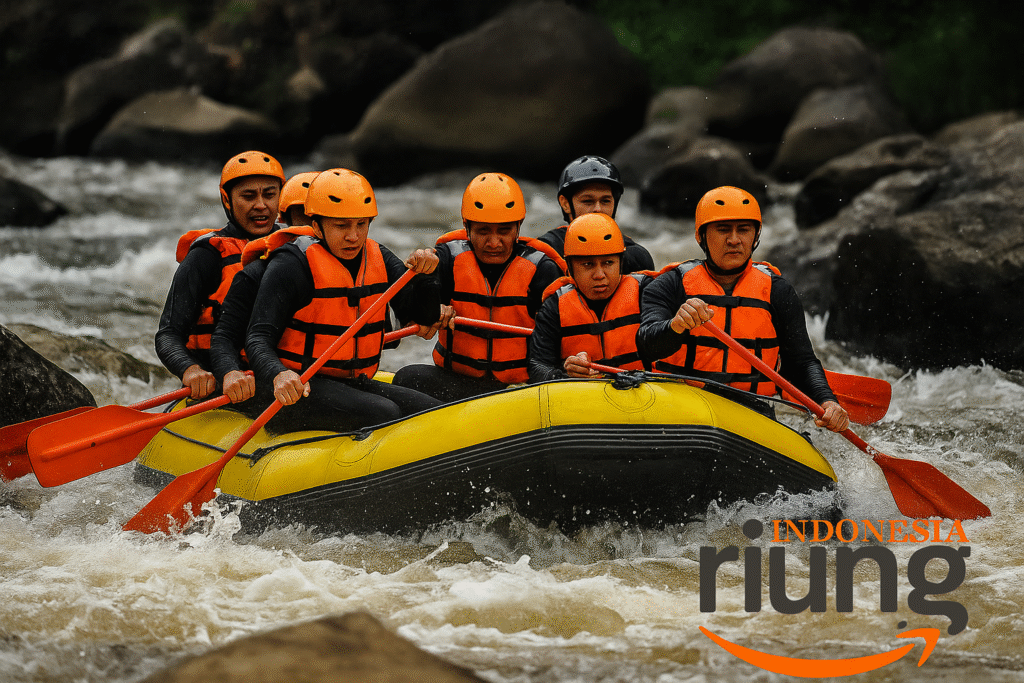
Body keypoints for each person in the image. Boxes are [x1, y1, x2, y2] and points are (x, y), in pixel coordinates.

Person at [244, 168, 443, 433]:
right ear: (316, 226)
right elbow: (257, 337)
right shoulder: (291, 264)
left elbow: (425, 317)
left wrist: (427, 276)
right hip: (298, 388)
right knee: (385, 413)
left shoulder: (378, 255)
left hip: (352, 382)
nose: (353, 236)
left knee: (434, 411)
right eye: (341, 226)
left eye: (361, 224)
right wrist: (278, 374)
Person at [636, 185, 849, 431]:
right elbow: (646, 345)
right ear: (701, 236)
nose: (734, 240)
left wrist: (827, 401)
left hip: (751, 412)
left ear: (756, 236)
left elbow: (801, 362)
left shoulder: (778, 291)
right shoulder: (670, 285)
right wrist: (675, 326)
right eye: (723, 230)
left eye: (744, 230)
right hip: (680, 407)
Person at [392, 172, 565, 402]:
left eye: (504, 231)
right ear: (467, 227)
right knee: (407, 377)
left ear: (518, 227)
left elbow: (561, 341)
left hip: (519, 390)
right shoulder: (447, 259)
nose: (494, 242)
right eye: (483, 231)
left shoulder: (543, 270)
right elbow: (411, 315)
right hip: (462, 382)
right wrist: (431, 306)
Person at [155, 150, 285, 399]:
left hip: (279, 378)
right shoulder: (206, 256)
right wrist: (190, 370)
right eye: (248, 196)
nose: (261, 205)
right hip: (221, 384)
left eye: (270, 195)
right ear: (227, 199)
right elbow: (169, 334)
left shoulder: (293, 248)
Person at [209, 171, 322, 405]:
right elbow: (225, 338)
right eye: (304, 216)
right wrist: (229, 372)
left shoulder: (362, 260)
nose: (313, 227)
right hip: (274, 380)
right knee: (386, 410)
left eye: (321, 217)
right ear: (286, 219)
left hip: (330, 375)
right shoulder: (256, 272)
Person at [529, 212, 649, 382]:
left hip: (642, 389)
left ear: (621, 263)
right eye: (587, 264)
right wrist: (564, 373)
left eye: (608, 263)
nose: (599, 275)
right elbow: (537, 365)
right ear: (570, 268)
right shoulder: (554, 306)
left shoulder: (646, 292)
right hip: (584, 393)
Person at [536, 155, 655, 273]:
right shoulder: (542, 254)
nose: (598, 209)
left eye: (605, 201)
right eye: (588, 201)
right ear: (565, 204)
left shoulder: (637, 258)